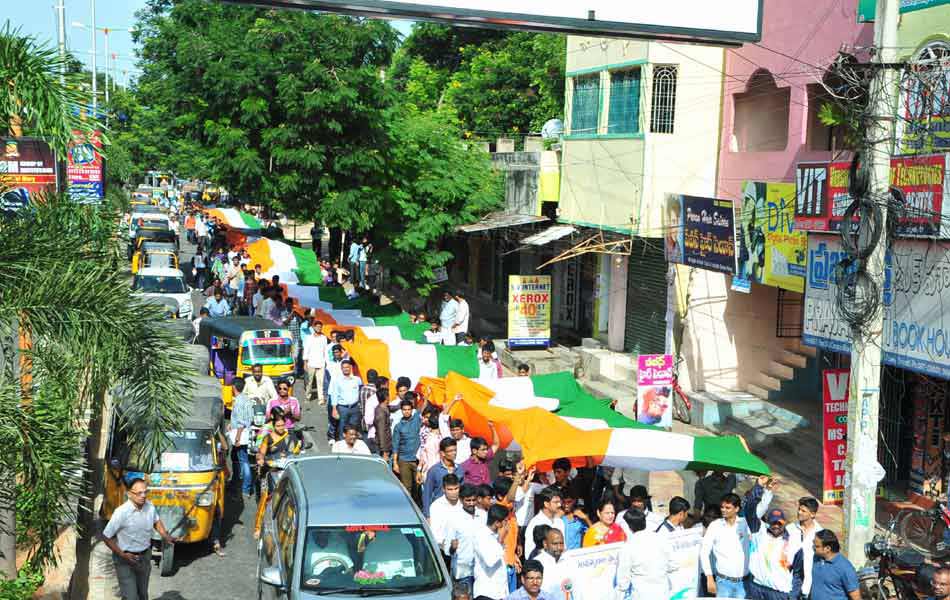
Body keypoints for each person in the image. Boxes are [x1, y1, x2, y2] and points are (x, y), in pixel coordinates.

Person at [101, 478, 179, 600]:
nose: (143, 496)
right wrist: (123, 555)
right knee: (131, 597)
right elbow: (106, 537)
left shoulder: (150, 506)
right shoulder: (121, 512)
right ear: (129, 494)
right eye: (139, 493)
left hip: (144, 557)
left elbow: (156, 521)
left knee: (143, 594)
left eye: (145, 492)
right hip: (125, 559)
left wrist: (165, 535)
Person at [743, 477, 802, 600]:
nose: (776, 526)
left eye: (779, 523)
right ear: (768, 522)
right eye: (773, 522)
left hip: (779, 593)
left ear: (784, 523)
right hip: (757, 588)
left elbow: (799, 572)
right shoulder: (759, 532)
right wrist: (759, 487)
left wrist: (793, 595)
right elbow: (750, 510)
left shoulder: (794, 540)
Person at [701, 493, 751, 598]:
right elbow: (704, 552)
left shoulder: (746, 524)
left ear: (737, 509)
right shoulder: (715, 525)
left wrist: (766, 490)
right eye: (722, 507)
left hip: (744, 583)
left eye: (728, 508)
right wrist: (709, 578)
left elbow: (759, 510)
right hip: (723, 582)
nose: (723, 510)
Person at [615, 508, 673, 599]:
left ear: (629, 526)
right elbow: (673, 565)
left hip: (642, 594)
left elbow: (623, 581)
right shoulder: (661, 538)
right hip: (663, 591)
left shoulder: (627, 547)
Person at [444, 484, 486, 590]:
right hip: (462, 572)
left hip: (480, 570)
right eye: (468, 500)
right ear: (461, 500)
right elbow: (448, 551)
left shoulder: (483, 515)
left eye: (474, 500)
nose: (471, 503)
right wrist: (453, 547)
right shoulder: (454, 518)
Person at [787, 496, 824, 599]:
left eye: (803, 511)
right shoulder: (789, 529)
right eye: (799, 509)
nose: (799, 512)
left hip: (810, 584)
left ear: (813, 514)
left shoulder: (820, 533)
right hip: (790, 582)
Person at [422, 437, 467, 517]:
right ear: (442, 453)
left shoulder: (460, 469)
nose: (454, 453)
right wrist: (427, 515)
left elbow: (463, 491)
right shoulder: (434, 471)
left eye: (455, 450)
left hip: (457, 510)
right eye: (450, 451)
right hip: (440, 511)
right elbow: (427, 494)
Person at [474, 505, 511, 600]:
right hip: (486, 593)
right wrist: (501, 539)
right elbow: (490, 560)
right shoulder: (481, 536)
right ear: (497, 523)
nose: (508, 524)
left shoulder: (495, 536)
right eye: (506, 521)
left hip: (500, 593)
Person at [809, 530, 860, 600]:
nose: (813, 548)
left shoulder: (845, 568)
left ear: (827, 548)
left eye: (817, 546)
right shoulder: (816, 558)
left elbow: (856, 597)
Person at [228, 378, 255, 498]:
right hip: (246, 433)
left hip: (240, 435)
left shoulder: (238, 401)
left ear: (234, 387)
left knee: (244, 461)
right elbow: (248, 418)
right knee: (240, 459)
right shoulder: (246, 399)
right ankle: (238, 483)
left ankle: (245, 488)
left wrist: (238, 438)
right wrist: (230, 424)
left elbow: (240, 422)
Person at [429, 473, 463, 563]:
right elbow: (435, 532)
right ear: (444, 489)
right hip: (444, 552)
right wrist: (446, 544)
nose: (454, 492)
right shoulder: (436, 506)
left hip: (464, 549)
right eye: (450, 489)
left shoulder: (464, 502)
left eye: (456, 488)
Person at [525, 486, 566, 559]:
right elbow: (529, 553)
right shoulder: (535, 523)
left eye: (560, 502)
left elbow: (564, 547)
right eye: (556, 502)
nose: (559, 505)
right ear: (546, 504)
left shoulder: (560, 522)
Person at [392, 399, 422, 495]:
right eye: (404, 409)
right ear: (401, 410)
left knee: (418, 486)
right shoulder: (398, 427)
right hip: (404, 460)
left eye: (409, 409)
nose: (407, 411)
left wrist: (427, 395)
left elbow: (422, 408)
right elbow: (395, 445)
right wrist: (395, 463)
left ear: (411, 410)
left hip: (417, 460)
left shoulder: (416, 419)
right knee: (406, 487)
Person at [329, 359, 362, 440]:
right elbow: (334, 395)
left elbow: (361, 391)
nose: (346, 369)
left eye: (347, 367)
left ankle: (352, 447)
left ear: (350, 368)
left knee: (354, 429)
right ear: (341, 369)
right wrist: (334, 409)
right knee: (342, 428)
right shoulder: (337, 381)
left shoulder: (357, 380)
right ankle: (342, 447)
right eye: (344, 367)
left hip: (355, 408)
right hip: (343, 408)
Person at [440, 395, 473, 463]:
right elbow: (442, 417)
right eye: (452, 430)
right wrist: (454, 400)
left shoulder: (470, 442)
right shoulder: (448, 437)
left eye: (457, 430)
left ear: (462, 430)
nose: (454, 432)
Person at [536, 528, 567, 599]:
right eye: (555, 544)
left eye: (561, 543)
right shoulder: (537, 563)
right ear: (545, 544)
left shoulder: (568, 560)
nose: (559, 547)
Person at [302, 319, 328, 404]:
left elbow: (325, 351)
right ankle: (307, 396)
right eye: (317, 327)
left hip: (321, 362)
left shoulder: (324, 338)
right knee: (309, 382)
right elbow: (306, 350)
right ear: (313, 327)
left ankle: (321, 399)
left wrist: (326, 362)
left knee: (320, 382)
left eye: (320, 327)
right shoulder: (309, 338)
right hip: (311, 363)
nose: (319, 328)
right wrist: (305, 363)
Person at [368, 386, 392, 460]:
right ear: (386, 397)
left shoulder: (384, 407)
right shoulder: (381, 413)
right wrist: (384, 451)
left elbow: (393, 407)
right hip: (382, 446)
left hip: (386, 444)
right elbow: (381, 432)